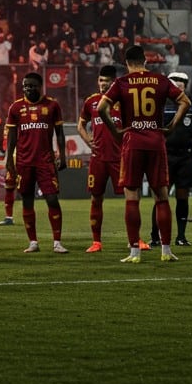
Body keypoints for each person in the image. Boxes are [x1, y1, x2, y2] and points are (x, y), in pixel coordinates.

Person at [97, 45, 190, 263]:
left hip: (133, 142)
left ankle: (134, 253)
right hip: (156, 141)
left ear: (126, 63)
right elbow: (184, 102)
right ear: (145, 61)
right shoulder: (160, 80)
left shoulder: (121, 83)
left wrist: (117, 132)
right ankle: (166, 251)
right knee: (162, 197)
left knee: (132, 197)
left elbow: (102, 108)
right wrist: (171, 127)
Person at [3, 72, 69, 254]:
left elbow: (60, 133)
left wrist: (63, 156)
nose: (28, 89)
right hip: (24, 162)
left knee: (52, 200)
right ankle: (33, 242)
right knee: (27, 201)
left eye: (32, 86)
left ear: (40, 87)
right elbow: (12, 137)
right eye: (25, 86)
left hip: (46, 162)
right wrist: (9, 159)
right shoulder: (16, 108)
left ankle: (57, 242)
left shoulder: (52, 105)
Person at [154, 71, 192, 248]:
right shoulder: (160, 104)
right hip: (164, 156)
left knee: (183, 197)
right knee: (160, 198)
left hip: (186, 157)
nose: (180, 84)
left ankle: (181, 236)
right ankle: (155, 236)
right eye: (176, 81)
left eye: (183, 82)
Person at [76, 65, 121, 253]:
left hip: (120, 158)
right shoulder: (91, 102)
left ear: (114, 82)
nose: (103, 84)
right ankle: (96, 242)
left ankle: (135, 240)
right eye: (101, 81)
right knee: (96, 199)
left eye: (106, 81)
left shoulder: (123, 102)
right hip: (98, 159)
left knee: (131, 198)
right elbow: (81, 125)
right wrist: (89, 142)